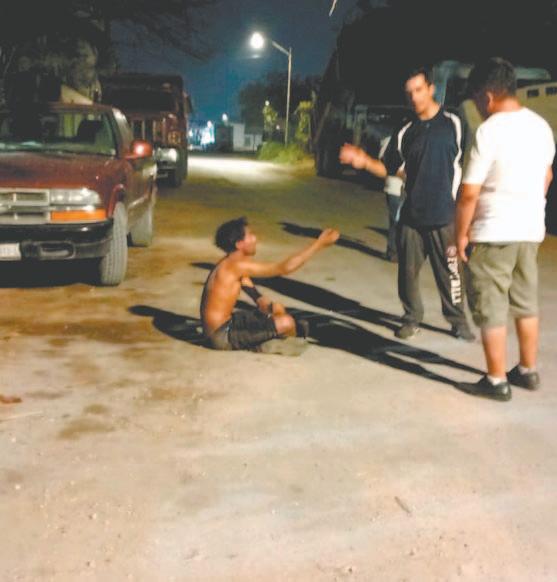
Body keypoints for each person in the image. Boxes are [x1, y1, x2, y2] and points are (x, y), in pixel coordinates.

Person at [340, 67, 475, 341]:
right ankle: (412, 318)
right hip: (412, 216)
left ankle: (458, 321)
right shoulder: (405, 130)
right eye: (409, 93)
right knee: (407, 275)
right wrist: (363, 161)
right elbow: (390, 168)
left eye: (419, 90)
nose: (414, 97)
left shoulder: (454, 122)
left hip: (445, 217)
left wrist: (468, 214)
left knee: (451, 275)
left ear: (431, 89)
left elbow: (470, 167)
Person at [455, 57, 555, 401]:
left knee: (491, 305)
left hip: (493, 231)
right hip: (530, 230)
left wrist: (461, 234)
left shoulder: (490, 131)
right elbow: (546, 176)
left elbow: (469, 193)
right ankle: (527, 370)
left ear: (487, 96)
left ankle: (496, 381)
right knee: (526, 302)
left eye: (476, 100)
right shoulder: (541, 127)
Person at [201, 217, 339, 351]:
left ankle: (283, 334)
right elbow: (284, 268)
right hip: (222, 337)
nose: (255, 238)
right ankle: (268, 344)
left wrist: (259, 299)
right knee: (286, 322)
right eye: (250, 235)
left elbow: (243, 279)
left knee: (277, 310)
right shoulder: (235, 266)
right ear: (239, 244)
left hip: (226, 325)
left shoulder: (229, 263)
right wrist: (319, 244)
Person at [379, 135, 404, 262]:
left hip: (393, 186)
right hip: (397, 187)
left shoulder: (388, 140)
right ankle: (394, 252)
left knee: (395, 221)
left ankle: (392, 251)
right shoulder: (393, 140)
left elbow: (381, 158)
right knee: (397, 222)